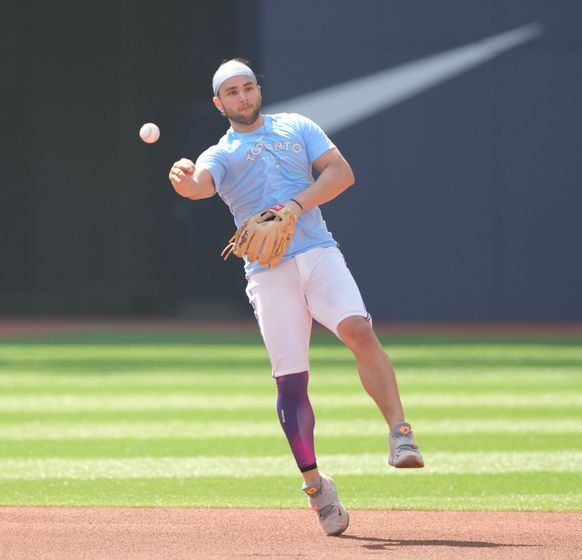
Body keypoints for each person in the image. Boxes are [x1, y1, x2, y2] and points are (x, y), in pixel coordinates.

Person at [168, 58, 424, 537]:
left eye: (248, 88)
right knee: (290, 381)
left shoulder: (298, 127)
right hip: (268, 272)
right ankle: (316, 487)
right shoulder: (220, 153)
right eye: (232, 93)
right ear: (218, 103)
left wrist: (293, 205)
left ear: (257, 92)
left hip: (318, 252)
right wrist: (185, 182)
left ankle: (400, 434)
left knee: (358, 330)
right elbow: (201, 186)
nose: (242, 97)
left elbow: (341, 174)